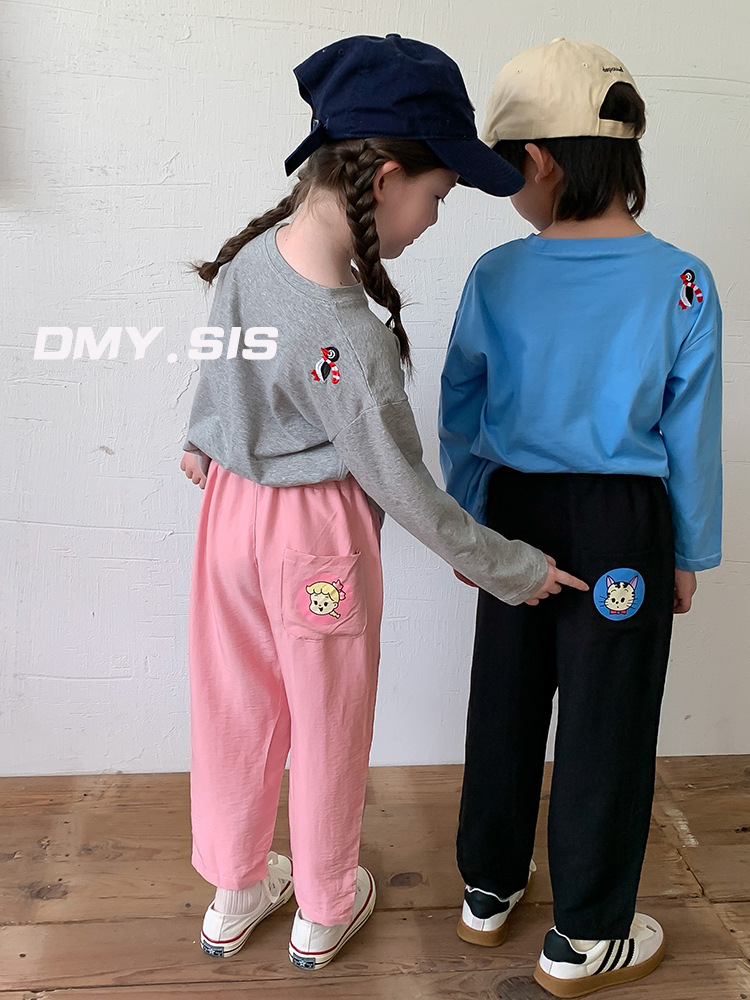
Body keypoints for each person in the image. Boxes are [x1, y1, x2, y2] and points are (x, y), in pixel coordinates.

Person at [179, 33, 588, 972]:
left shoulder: (250, 260)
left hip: (228, 522)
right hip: (315, 540)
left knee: (234, 704)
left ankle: (235, 889)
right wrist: (511, 567)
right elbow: (405, 489)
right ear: (386, 178)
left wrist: (205, 440)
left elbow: (223, 364)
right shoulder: (350, 338)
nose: (436, 219)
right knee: (327, 718)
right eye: (439, 195)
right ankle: (325, 903)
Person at [439, 38, 722, 998]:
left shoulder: (497, 275)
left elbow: (462, 410)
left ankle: (488, 886)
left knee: (506, 697)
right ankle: (586, 933)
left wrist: (470, 525)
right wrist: (689, 549)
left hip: (515, 509)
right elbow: (690, 431)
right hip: (623, 524)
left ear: (540, 162)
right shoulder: (682, 281)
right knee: (608, 719)